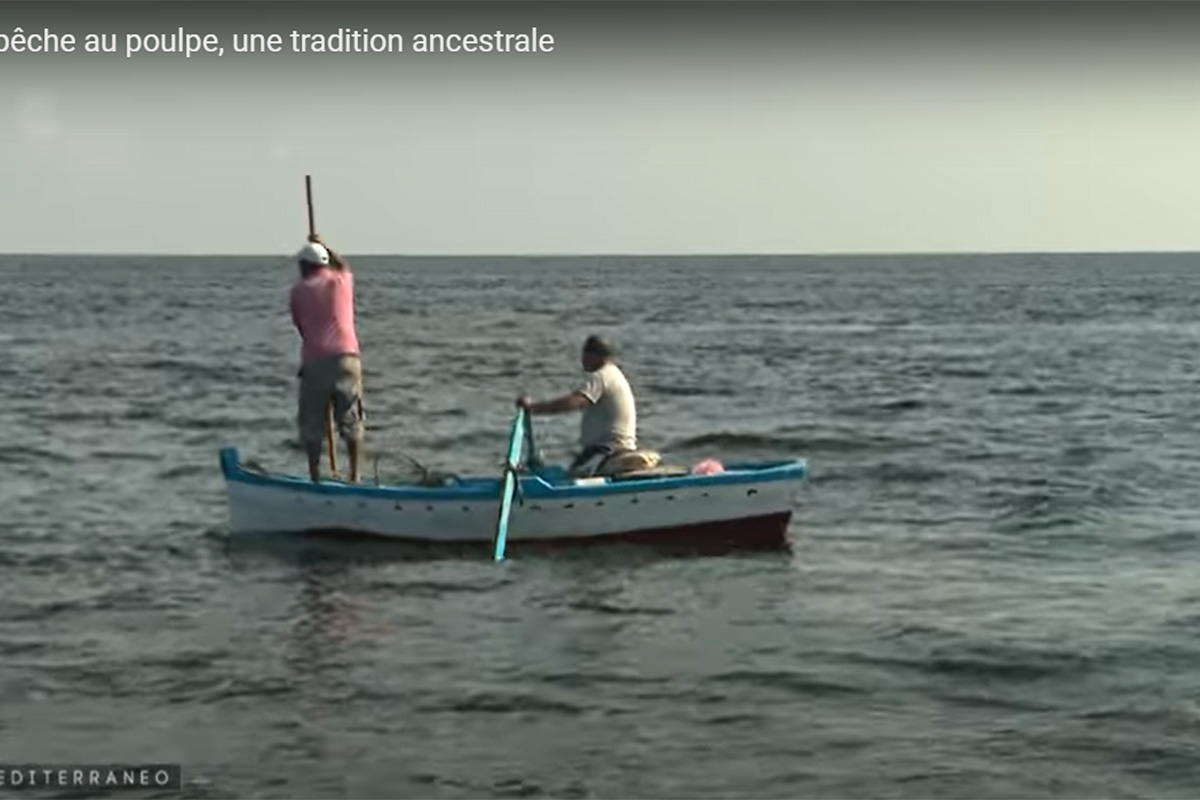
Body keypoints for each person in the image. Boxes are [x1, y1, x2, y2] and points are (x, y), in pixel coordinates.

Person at [289, 233, 365, 483]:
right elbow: (342, 263)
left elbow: (301, 328)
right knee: (351, 418)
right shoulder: (342, 281)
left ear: (304, 267)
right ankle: (355, 475)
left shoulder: (298, 291)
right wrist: (323, 244)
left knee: (312, 423)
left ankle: (315, 477)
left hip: (316, 361)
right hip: (348, 358)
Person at [516, 335, 638, 477]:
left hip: (608, 449)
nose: (582, 360)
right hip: (610, 447)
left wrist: (533, 408)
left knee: (571, 479)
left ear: (595, 356)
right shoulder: (614, 374)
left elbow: (575, 402)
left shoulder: (601, 376)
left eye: (585, 355)